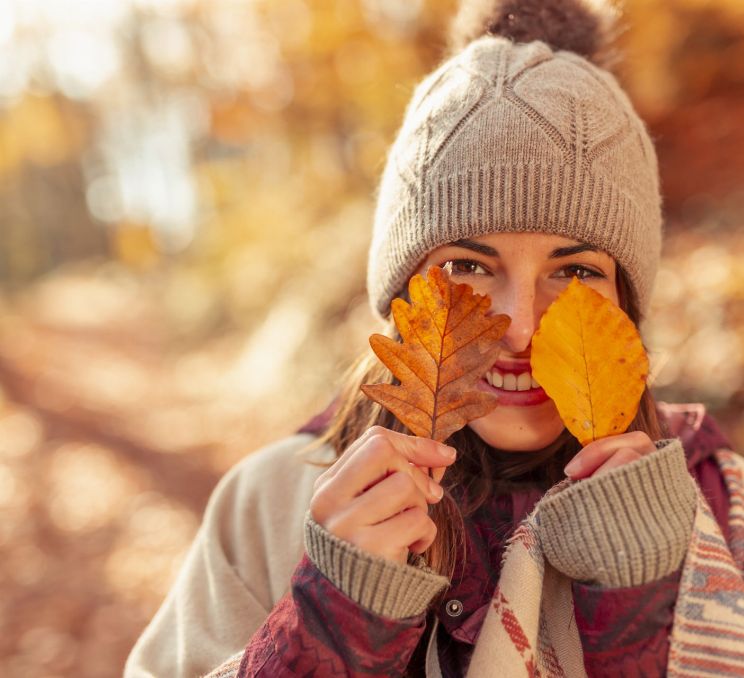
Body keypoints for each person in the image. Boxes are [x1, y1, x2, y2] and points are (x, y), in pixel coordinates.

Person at [125, 0, 744, 676]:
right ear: (401, 298)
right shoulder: (271, 502)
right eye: (469, 266)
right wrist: (334, 624)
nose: (522, 328)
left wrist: (646, 610)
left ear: (626, 302)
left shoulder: (719, 503)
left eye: (575, 271)